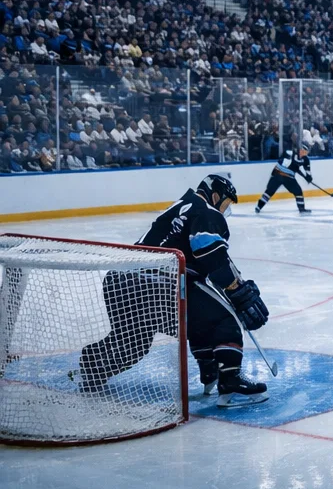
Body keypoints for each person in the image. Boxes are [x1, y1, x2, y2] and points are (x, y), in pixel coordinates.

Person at [77, 173, 270, 407]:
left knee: (134, 344)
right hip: (159, 284)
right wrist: (237, 291)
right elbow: (210, 253)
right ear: (216, 195)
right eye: (227, 203)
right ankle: (230, 384)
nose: (226, 209)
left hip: (121, 281)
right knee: (224, 318)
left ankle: (92, 365)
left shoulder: (181, 205)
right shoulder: (208, 212)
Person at [254, 145, 314, 214]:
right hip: (279, 174)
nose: (303, 153)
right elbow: (284, 162)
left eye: (305, 152)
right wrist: (273, 174)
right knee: (269, 192)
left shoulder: (306, 160)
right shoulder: (289, 152)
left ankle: (301, 209)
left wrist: (308, 177)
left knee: (298, 192)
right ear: (299, 150)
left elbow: (307, 171)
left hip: (286, 177)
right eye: (302, 151)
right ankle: (259, 207)